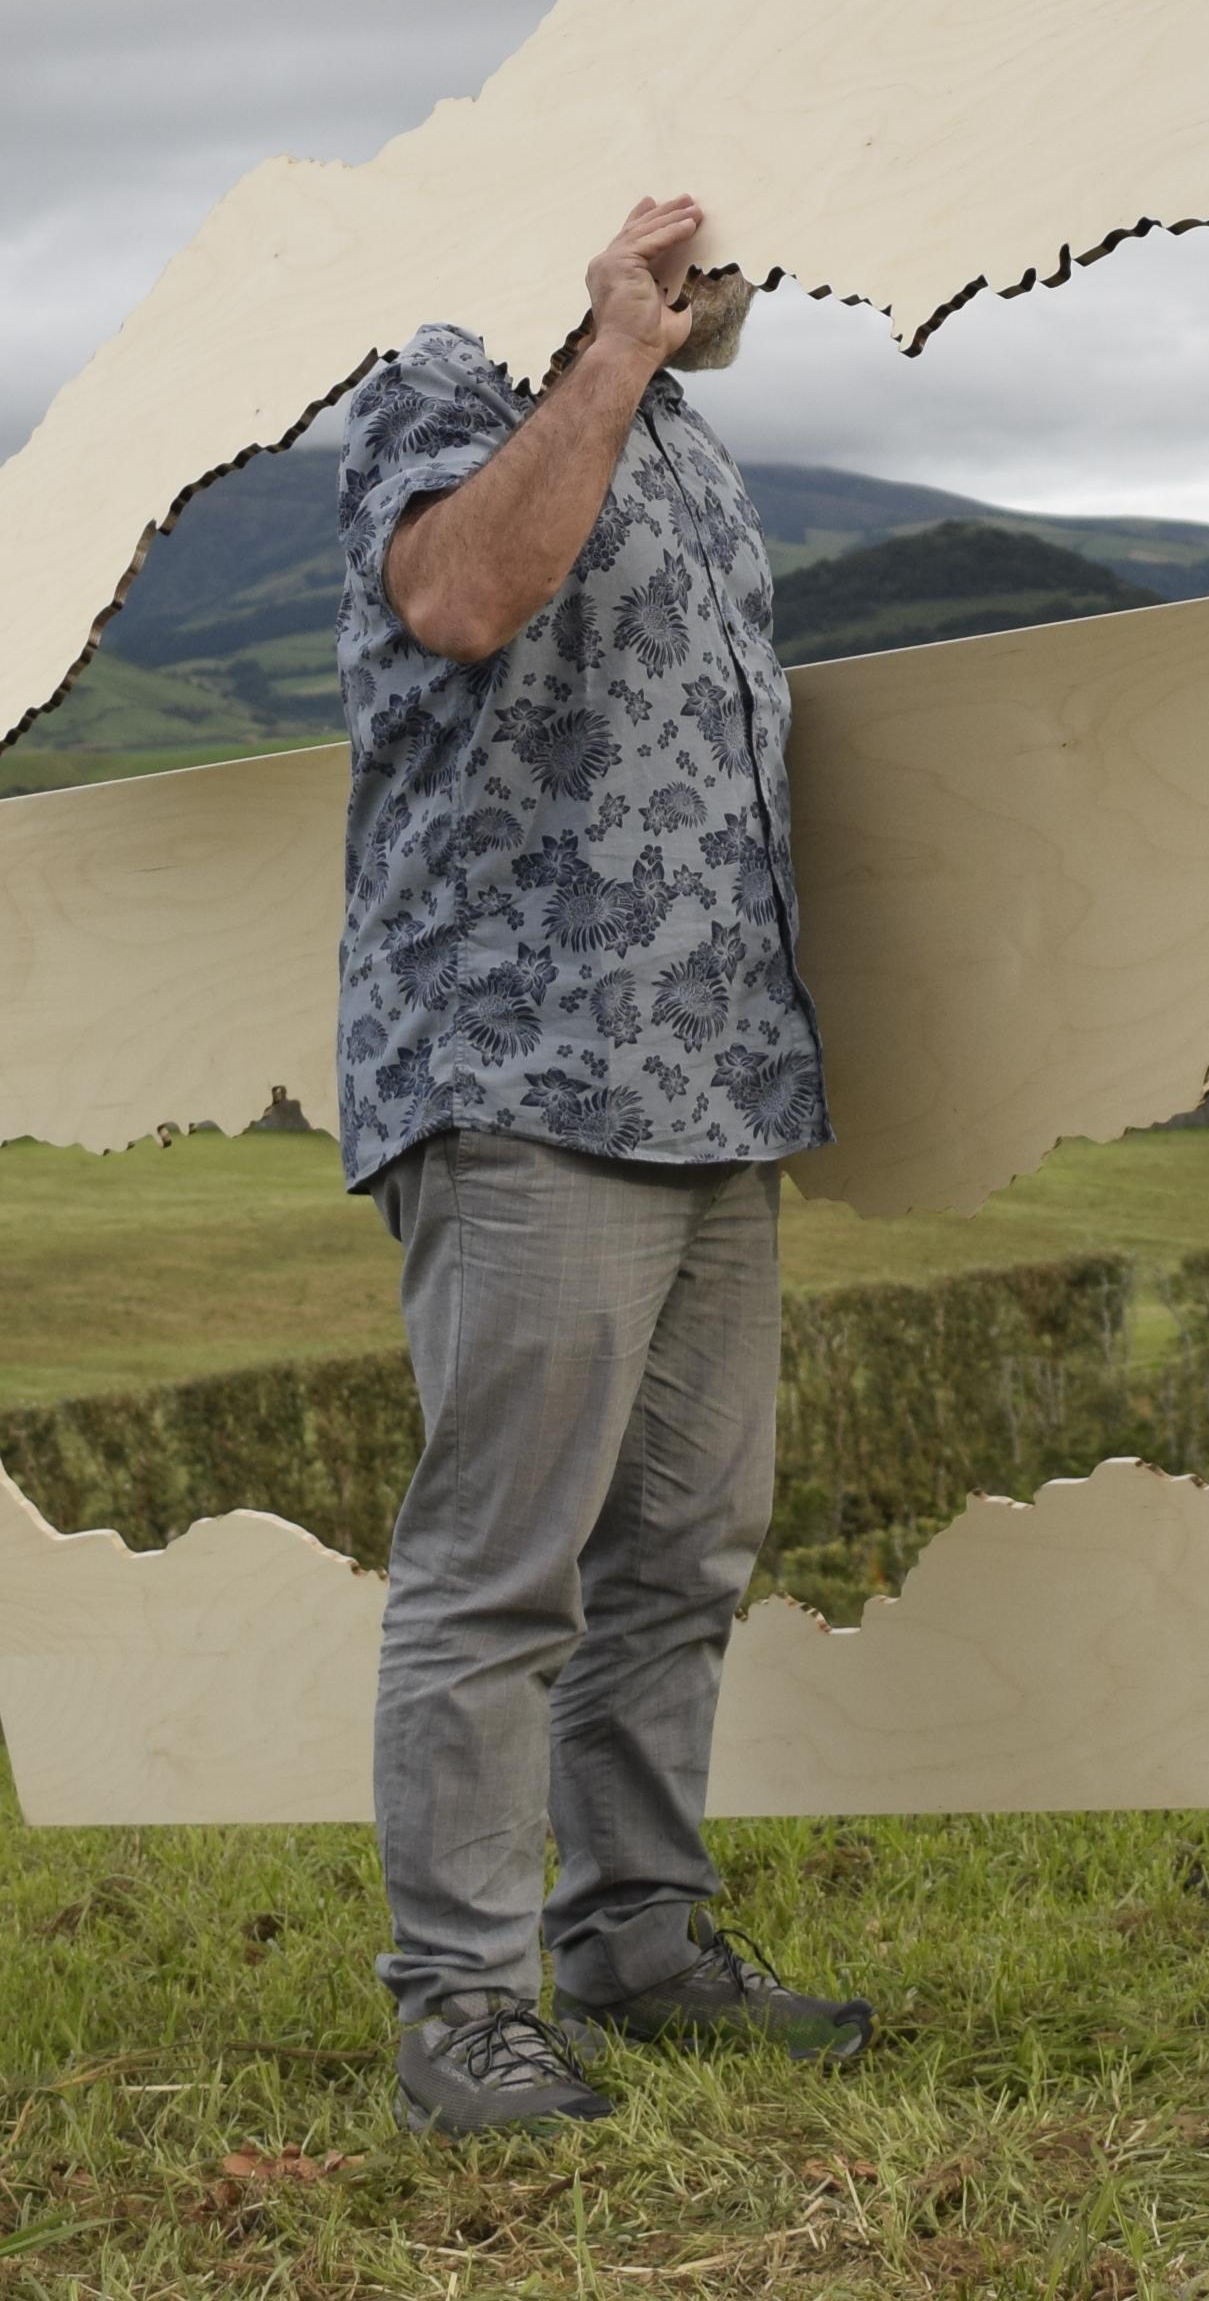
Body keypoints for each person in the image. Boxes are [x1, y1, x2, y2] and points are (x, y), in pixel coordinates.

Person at [333, 190, 878, 2140]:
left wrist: (646, 375)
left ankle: (640, 1933)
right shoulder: (441, 383)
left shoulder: (692, 448)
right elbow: (463, 598)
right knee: (503, 1568)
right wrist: (608, 349)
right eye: (694, 238)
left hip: (715, 1083)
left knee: (684, 1549)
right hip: (524, 1071)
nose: (737, 270)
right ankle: (459, 2010)